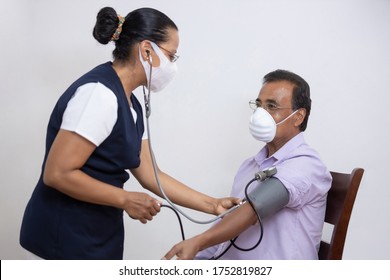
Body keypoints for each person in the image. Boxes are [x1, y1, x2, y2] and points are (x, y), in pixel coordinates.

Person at [19, 7, 239, 260]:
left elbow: (149, 174)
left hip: (96, 235)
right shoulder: (98, 95)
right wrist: (125, 199)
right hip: (61, 240)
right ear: (146, 50)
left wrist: (213, 205)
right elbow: (57, 174)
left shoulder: (132, 105)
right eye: (171, 56)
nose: (172, 66)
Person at [163, 70, 332, 260]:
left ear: (298, 116)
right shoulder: (250, 166)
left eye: (271, 106)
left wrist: (198, 242)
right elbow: (227, 236)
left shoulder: (307, 165)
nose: (261, 114)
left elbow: (254, 209)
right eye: (259, 105)